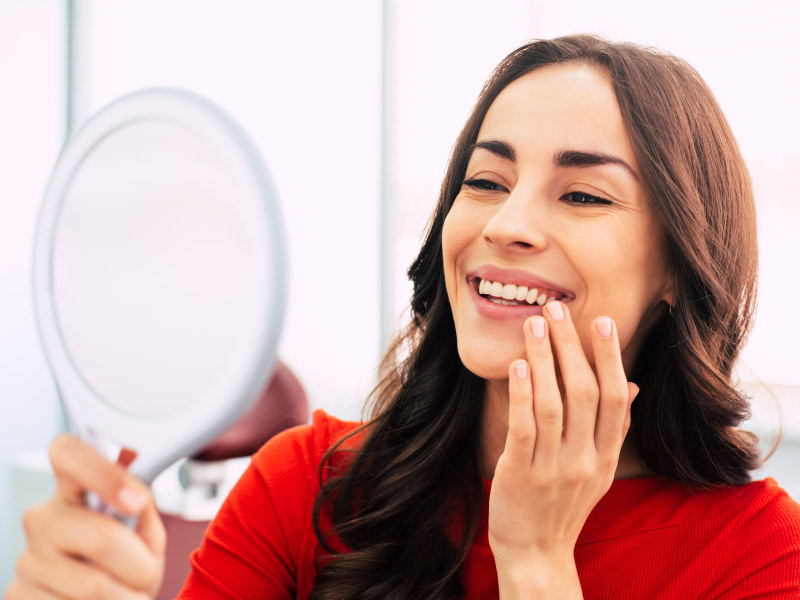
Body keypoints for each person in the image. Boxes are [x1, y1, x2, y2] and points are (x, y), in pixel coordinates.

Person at [7, 34, 800, 600]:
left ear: (677, 268)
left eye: (583, 195)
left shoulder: (762, 557)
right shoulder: (303, 489)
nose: (505, 223)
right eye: (486, 181)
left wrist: (536, 563)